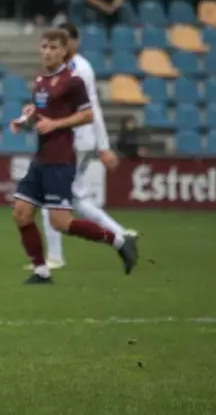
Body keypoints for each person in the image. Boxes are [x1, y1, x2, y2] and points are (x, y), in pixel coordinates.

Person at [9, 28, 139, 285]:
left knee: (60, 222)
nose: (47, 51)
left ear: (64, 51)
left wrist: (56, 125)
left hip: (61, 160)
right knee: (21, 213)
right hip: (42, 158)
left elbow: (88, 114)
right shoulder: (40, 80)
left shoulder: (73, 80)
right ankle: (41, 271)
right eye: (44, 46)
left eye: (53, 47)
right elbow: (42, 112)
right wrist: (25, 119)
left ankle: (119, 240)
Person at [40, 22, 136, 271]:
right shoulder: (68, 69)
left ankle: (55, 257)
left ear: (71, 43)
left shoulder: (80, 70)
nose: (54, 49)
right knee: (77, 198)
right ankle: (121, 234)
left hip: (74, 141)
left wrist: (103, 146)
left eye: (60, 43)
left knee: (48, 197)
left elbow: (91, 110)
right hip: (73, 140)